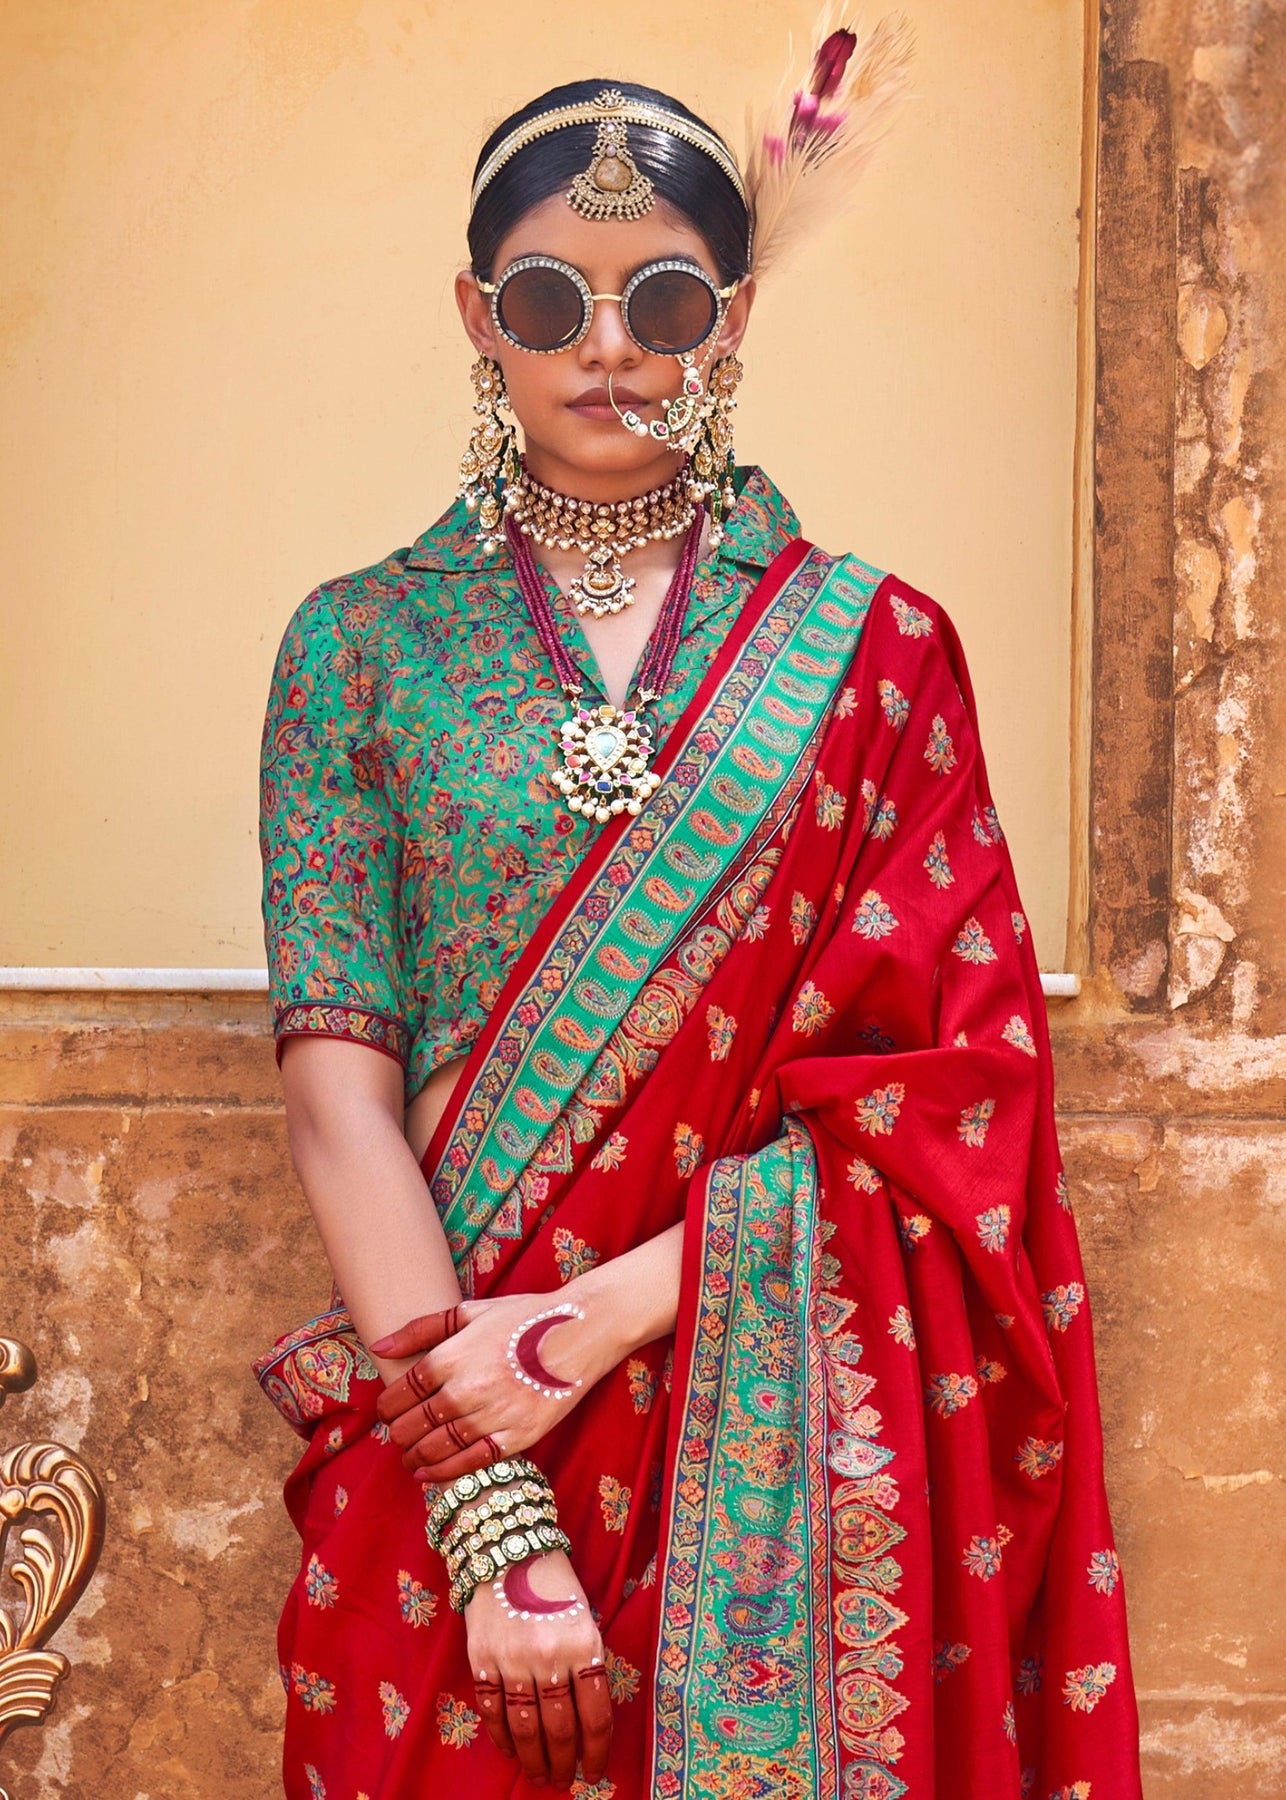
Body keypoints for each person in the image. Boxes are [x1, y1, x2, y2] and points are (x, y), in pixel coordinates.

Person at [254, 19, 1144, 1800]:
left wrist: (585, 1328)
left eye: (661, 301)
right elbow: (338, 1093)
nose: (606, 347)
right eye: (548, 301)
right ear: (475, 315)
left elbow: (953, 1098)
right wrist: (491, 1510)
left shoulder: (874, 650)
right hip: (449, 1415)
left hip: (772, 1425)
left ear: (730, 319)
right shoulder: (358, 642)